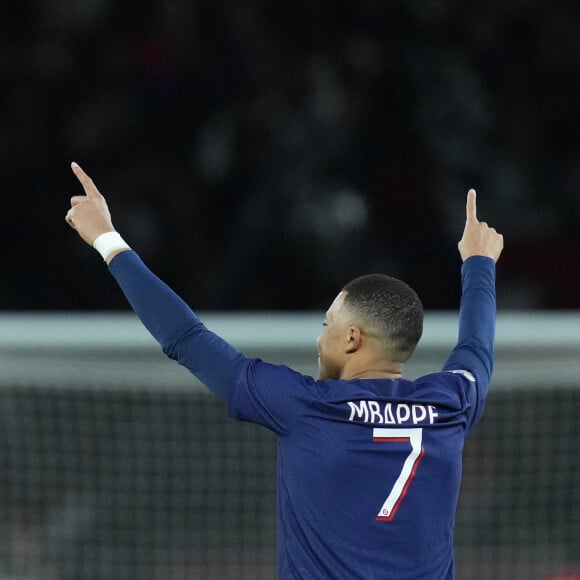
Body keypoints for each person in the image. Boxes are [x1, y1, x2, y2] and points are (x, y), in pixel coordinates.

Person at [65, 161, 503, 580]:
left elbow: (186, 338)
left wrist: (107, 238)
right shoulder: (452, 403)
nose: (319, 339)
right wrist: (479, 262)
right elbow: (476, 348)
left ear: (352, 338)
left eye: (326, 325)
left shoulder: (305, 406)